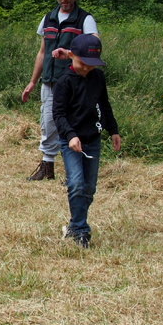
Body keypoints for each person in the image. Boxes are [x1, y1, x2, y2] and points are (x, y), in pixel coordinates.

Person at [21, 0, 99, 181]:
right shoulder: (48, 18)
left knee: (76, 123)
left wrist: (71, 54)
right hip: (50, 81)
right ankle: (47, 168)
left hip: (76, 82)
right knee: (48, 122)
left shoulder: (85, 19)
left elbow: (94, 48)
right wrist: (32, 82)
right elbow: (42, 53)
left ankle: (76, 172)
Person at [52, 34, 121, 248]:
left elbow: (104, 104)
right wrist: (71, 135)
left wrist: (114, 130)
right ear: (71, 56)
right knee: (76, 184)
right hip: (71, 141)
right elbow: (58, 114)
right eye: (83, 63)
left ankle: (73, 225)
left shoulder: (97, 77)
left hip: (93, 140)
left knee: (89, 188)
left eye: (92, 65)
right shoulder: (64, 82)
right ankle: (82, 231)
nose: (86, 69)